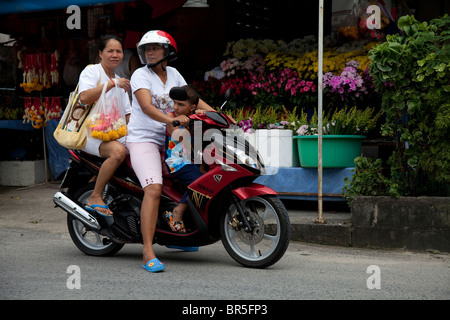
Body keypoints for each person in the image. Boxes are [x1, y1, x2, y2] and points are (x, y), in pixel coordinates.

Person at [126, 30, 214, 273]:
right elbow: (145, 107)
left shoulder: (174, 74)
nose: (150, 52)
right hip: (145, 139)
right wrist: (170, 120)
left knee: (199, 174)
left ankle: (177, 235)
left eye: (155, 48)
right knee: (153, 189)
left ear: (168, 51)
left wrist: (220, 117)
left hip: (173, 138)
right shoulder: (139, 75)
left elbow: (193, 101)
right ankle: (147, 251)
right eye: (147, 49)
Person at [78, 35, 132, 216]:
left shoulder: (120, 79)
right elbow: (84, 98)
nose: (115, 55)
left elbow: (128, 114)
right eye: (110, 51)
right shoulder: (92, 72)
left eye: (119, 51)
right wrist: (110, 84)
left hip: (112, 133)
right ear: (100, 53)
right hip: (90, 133)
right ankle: (95, 195)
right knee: (118, 152)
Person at [164, 85, 206, 233]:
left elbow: (200, 145)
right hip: (177, 162)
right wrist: (191, 123)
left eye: (181, 104)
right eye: (174, 103)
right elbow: (177, 135)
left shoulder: (195, 119)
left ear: (192, 107)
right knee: (199, 184)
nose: (175, 107)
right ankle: (177, 212)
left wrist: (201, 118)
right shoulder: (170, 117)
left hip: (192, 161)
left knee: (209, 179)